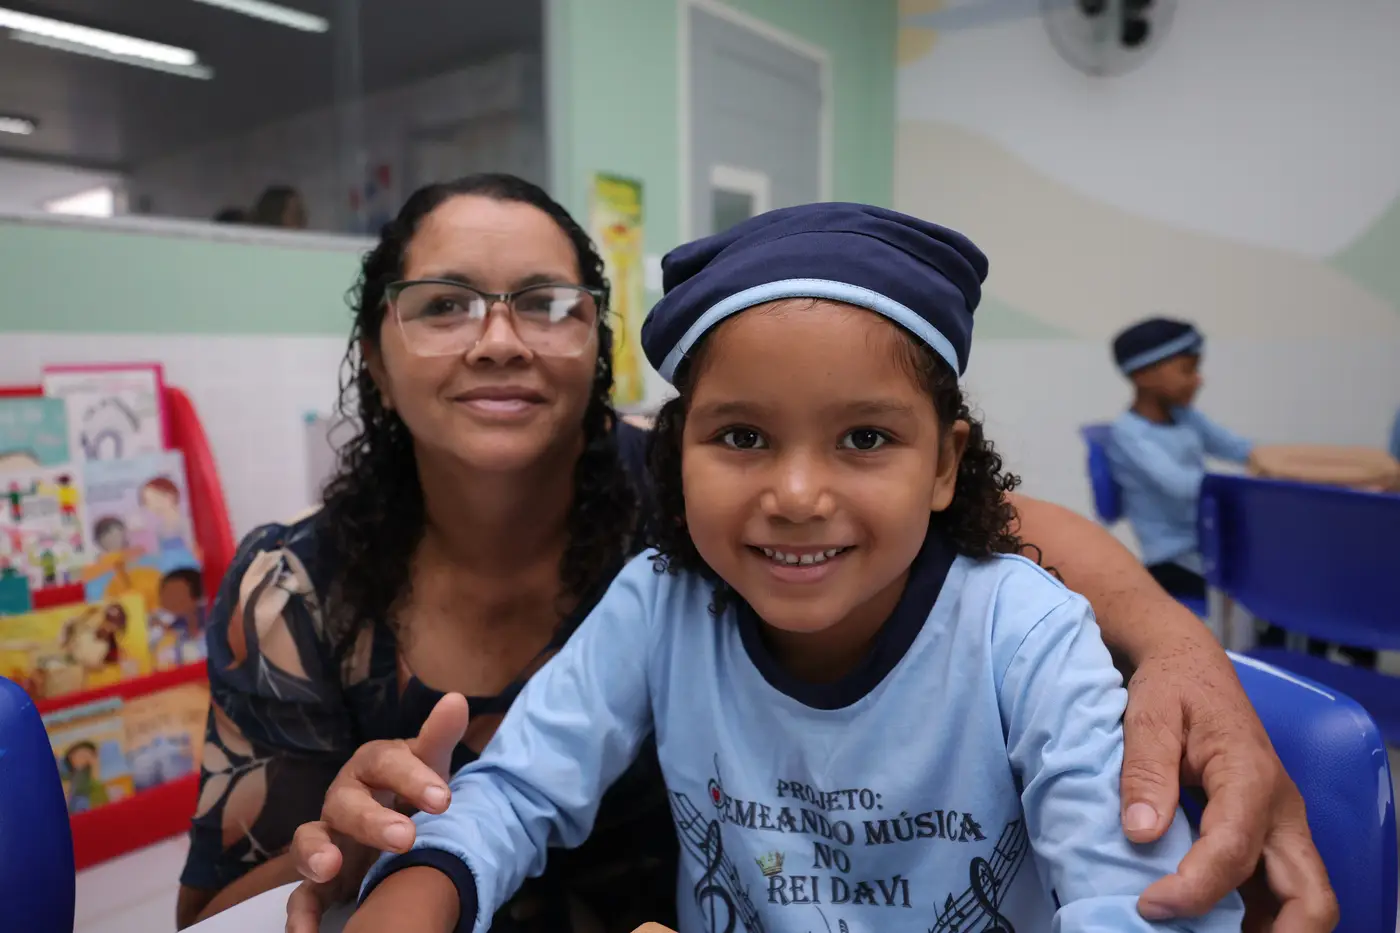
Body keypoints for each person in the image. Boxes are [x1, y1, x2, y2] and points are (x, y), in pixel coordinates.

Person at [179, 176, 1336, 933]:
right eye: (740, 437)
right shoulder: (664, 587)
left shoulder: (1016, 629)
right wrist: (413, 883)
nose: (793, 493)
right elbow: (513, 789)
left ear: (945, 466)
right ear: (677, 450)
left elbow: (1129, 899)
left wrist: (1180, 646)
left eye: (864, 438)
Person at [1106, 318, 1254, 605]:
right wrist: (1255, 489)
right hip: (1174, 561)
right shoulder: (1129, 433)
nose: (1199, 379)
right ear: (1144, 376)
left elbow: (1239, 448)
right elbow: (1184, 486)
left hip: (1209, 548)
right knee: (1275, 588)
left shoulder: (1186, 417)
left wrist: (1292, 462)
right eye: (1188, 370)